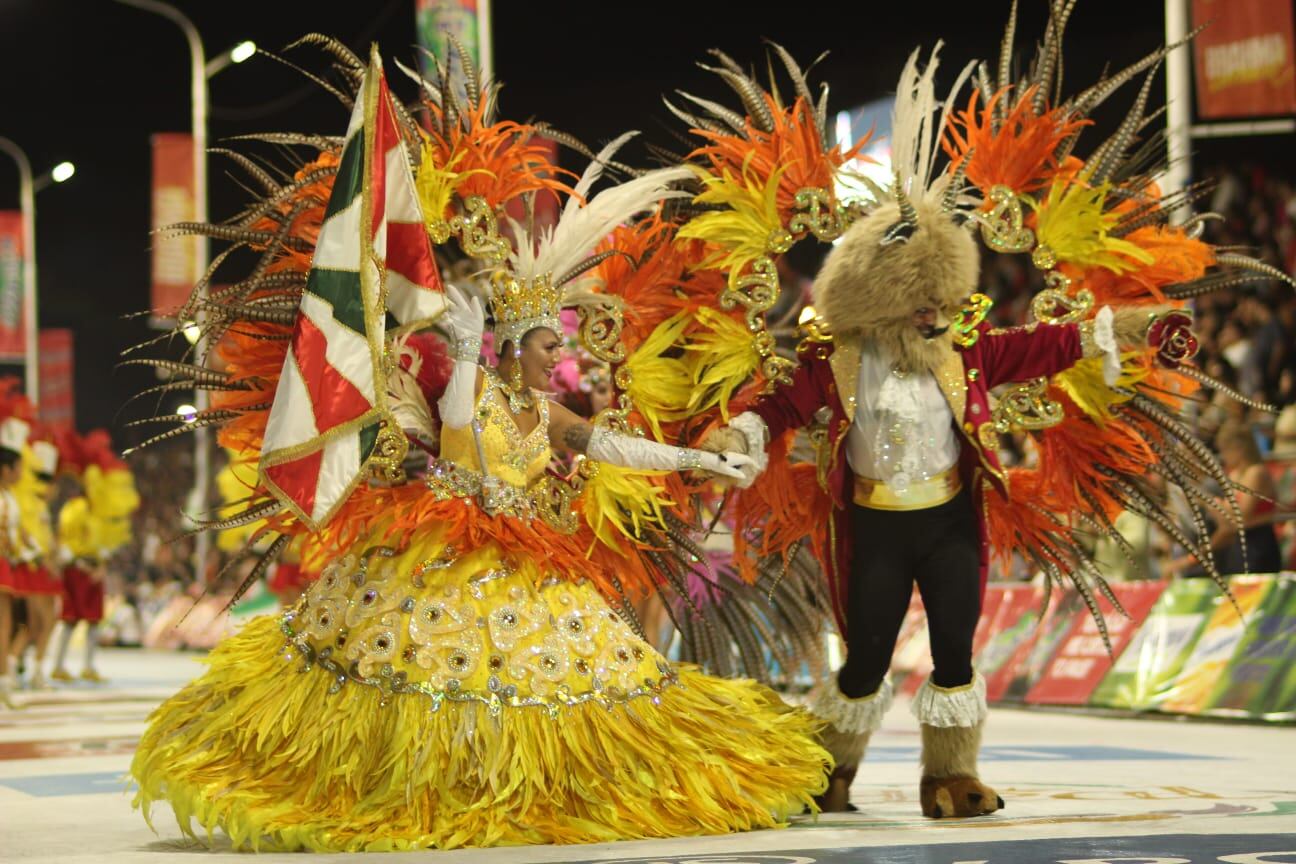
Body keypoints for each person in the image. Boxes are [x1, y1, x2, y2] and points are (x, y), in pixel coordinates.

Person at [129, 58, 828, 849]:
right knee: (425, 685)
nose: (549, 355)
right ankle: (425, 788)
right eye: (538, 344)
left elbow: (613, 445)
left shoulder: (550, 410)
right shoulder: (476, 389)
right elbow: (461, 427)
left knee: (563, 692)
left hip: (534, 561)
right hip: (443, 554)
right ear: (508, 346)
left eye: (551, 343)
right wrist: (463, 352)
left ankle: (518, 783)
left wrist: (700, 464)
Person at [1163, 422, 1282, 577]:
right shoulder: (1234, 475)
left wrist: (1210, 502)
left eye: (1226, 450)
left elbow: (1240, 517)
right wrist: (1216, 506)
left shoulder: (1256, 473)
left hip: (1258, 543)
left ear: (1240, 448)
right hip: (1238, 546)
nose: (1224, 457)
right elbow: (1226, 522)